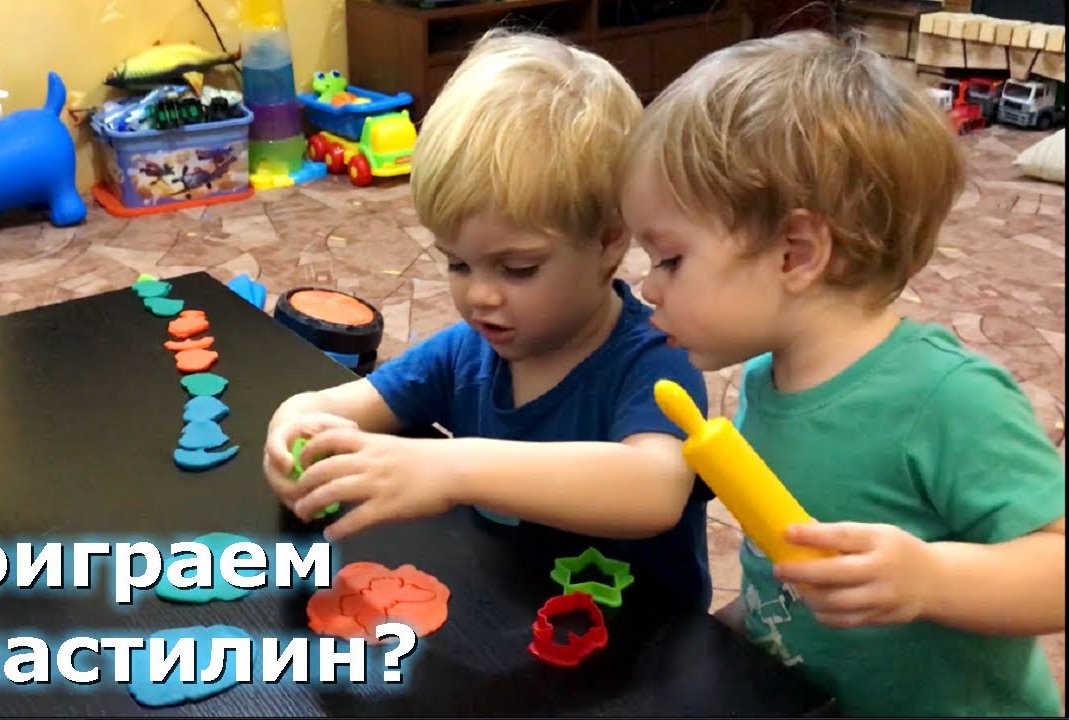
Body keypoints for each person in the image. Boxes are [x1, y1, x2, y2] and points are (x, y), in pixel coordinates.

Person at [618, 29, 1066, 716]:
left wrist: (931, 578)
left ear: (795, 253)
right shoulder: (764, 383)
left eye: (670, 259)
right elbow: (783, 575)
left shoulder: (947, 398)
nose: (648, 287)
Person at [261, 28, 715, 611]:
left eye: (517, 268)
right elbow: (330, 406)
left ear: (607, 243)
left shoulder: (657, 359)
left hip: (643, 644)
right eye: (457, 263)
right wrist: (292, 429)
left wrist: (453, 467)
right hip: (510, 615)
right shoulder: (465, 354)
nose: (479, 296)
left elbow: (654, 490)